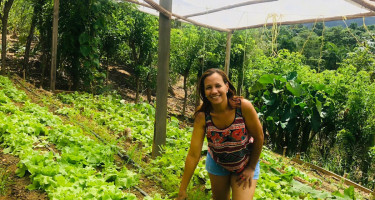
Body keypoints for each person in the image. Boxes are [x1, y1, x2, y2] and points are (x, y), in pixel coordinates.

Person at [177, 68, 264, 200]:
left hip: (244, 162)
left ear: (226, 86)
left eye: (218, 86)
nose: (214, 91)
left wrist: (251, 167)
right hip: (218, 163)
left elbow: (259, 137)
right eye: (208, 87)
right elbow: (194, 154)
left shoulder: (242, 107)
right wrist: (182, 189)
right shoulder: (203, 116)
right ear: (204, 92)